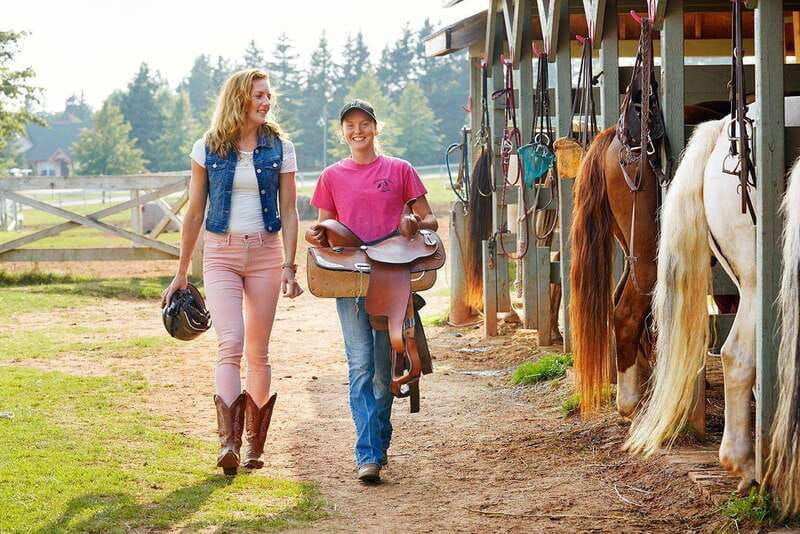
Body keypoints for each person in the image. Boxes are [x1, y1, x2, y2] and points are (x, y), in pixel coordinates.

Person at [162, 69, 303, 476]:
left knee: (258, 350)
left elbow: (290, 211)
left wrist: (289, 265)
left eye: (268, 96)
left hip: (265, 253)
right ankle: (229, 444)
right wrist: (181, 271)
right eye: (259, 95)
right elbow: (194, 213)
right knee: (231, 343)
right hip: (220, 253)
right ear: (240, 98)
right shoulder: (207, 147)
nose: (266, 102)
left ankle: (255, 448)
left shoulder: (281, 148)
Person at [306, 99, 437, 483]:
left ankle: (378, 441)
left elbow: (429, 217)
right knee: (359, 366)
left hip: (391, 271)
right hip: (351, 274)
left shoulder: (399, 169)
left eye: (364, 123)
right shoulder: (331, 176)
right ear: (342, 132)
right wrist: (318, 233)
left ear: (376, 128)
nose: (357, 130)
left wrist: (414, 220)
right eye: (350, 125)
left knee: (383, 371)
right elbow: (325, 226)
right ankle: (368, 452)